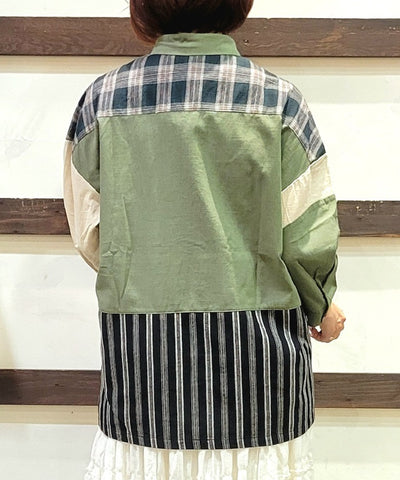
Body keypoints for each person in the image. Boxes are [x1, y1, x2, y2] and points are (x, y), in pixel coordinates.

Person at [63, 0, 346, 478]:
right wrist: (322, 304)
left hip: (145, 359)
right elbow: (305, 232)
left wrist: (147, 267)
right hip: (258, 360)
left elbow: (89, 227)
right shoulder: (278, 100)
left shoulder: (103, 100)